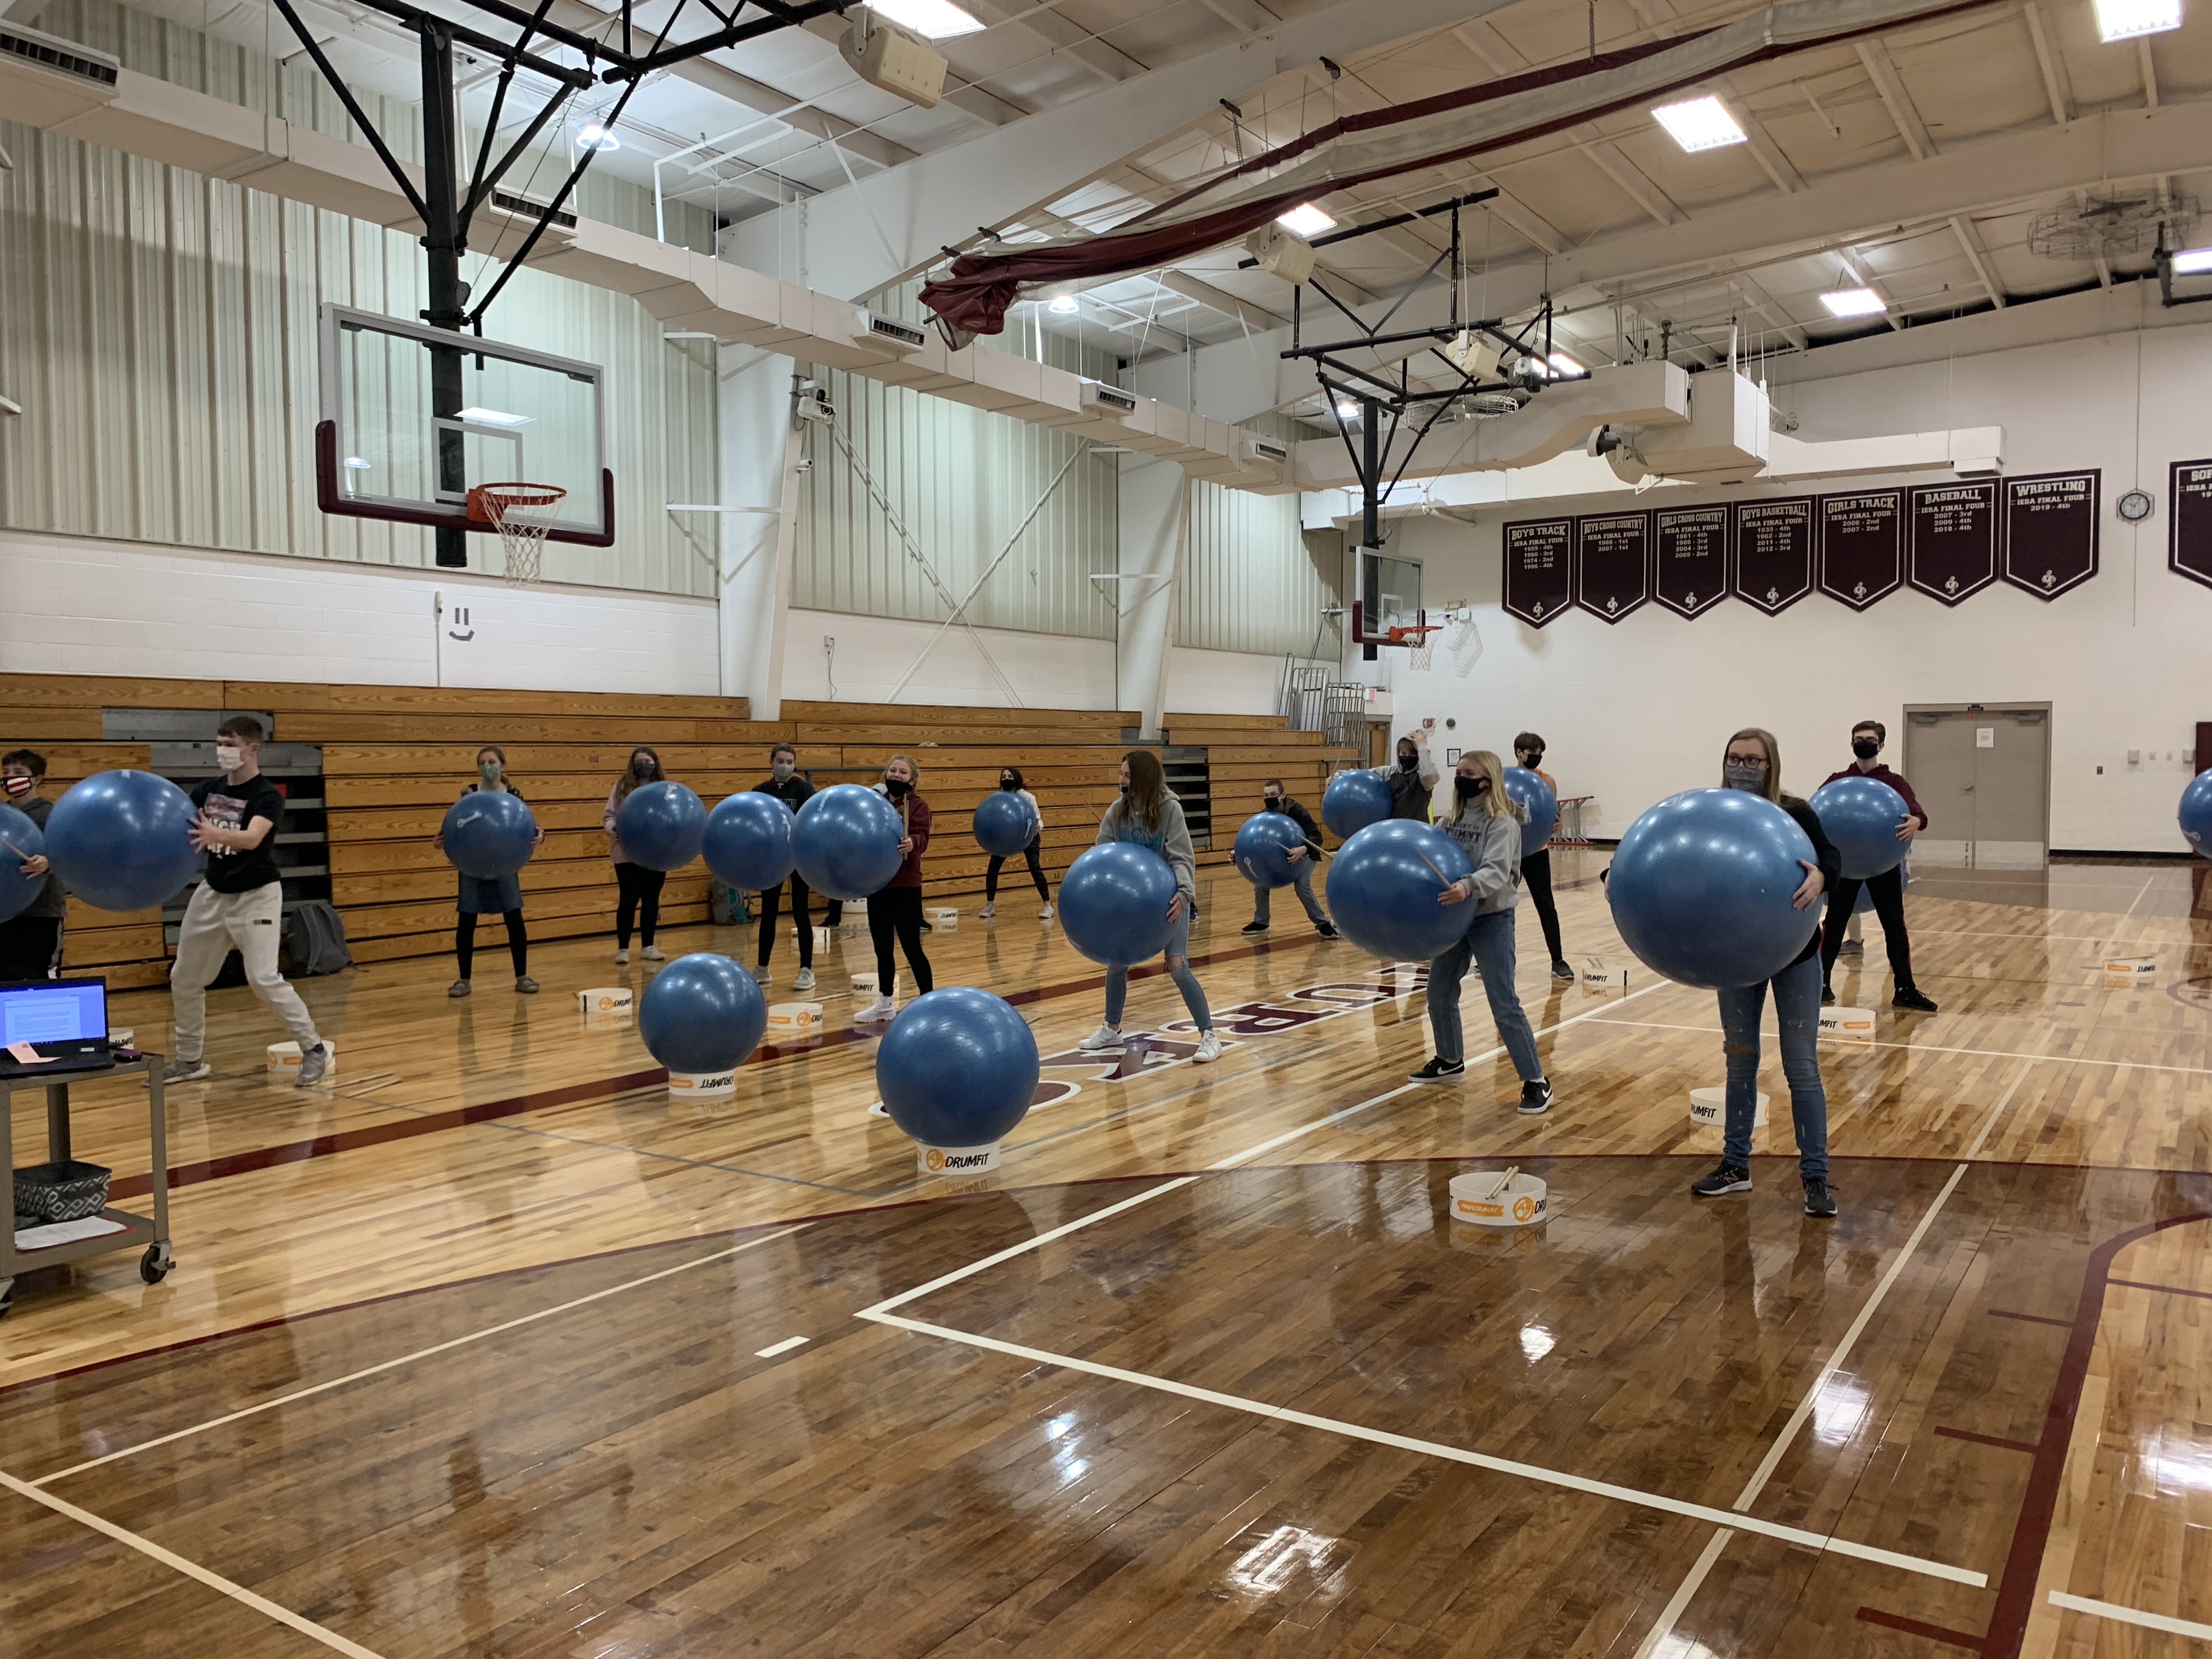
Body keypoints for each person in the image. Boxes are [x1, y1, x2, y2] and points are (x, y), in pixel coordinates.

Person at [1691, 727, 1843, 1218]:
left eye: (1753, 761)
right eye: (1735, 758)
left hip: (1795, 953)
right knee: (1740, 1062)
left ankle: (1815, 1176)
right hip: (1735, 957)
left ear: (1770, 764)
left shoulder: (1795, 811)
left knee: (1801, 1066)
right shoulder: (1712, 811)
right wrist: (1615, 875)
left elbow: (1832, 857)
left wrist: (1822, 876)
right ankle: (1735, 1166)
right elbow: (1676, 857)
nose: (1742, 768)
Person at [163, 716, 330, 1087]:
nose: (222, 750)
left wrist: (214, 833)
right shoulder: (207, 790)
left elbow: (253, 838)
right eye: (219, 743)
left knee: (263, 978)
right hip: (213, 891)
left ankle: (314, 1048)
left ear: (252, 749)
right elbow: (174, 823)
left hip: (257, 895)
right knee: (184, 978)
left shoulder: (267, 795)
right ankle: (190, 1060)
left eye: (230, 744)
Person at [1408, 751, 1553, 1113]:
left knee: (1503, 1001)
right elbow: (1431, 852)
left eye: (1469, 773)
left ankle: (1536, 1080)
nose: (1462, 778)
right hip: (1455, 918)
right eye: (1459, 772)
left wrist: (1467, 886)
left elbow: (1498, 870)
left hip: (1492, 918)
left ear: (1488, 780)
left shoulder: (1503, 823)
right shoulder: (1451, 820)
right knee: (1439, 992)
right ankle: (1449, 1060)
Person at [1077, 750, 1221, 1063]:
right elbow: (1102, 853)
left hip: (1168, 901)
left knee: (1177, 965)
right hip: (1129, 905)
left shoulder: (1170, 809)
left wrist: (1184, 894)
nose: (1121, 780)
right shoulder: (1117, 811)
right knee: (1117, 962)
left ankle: (1209, 1035)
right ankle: (1112, 1028)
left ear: (1143, 778)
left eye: (1127, 775)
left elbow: (1182, 856)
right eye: (1121, 774)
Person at [1818, 719, 1937, 1013]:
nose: (1864, 744)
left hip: (1884, 865)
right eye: (1859, 739)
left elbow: (1919, 815)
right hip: (1846, 866)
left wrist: (1917, 822)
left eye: (1870, 740)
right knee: (1833, 925)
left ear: (1881, 745)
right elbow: (1816, 812)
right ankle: (1820, 985)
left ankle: (1905, 989)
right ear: (1852, 743)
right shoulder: (1839, 781)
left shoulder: (1894, 783)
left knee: (1894, 926)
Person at [438, 746, 540, 998]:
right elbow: (456, 824)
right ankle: (464, 980)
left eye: (492, 761)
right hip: (472, 865)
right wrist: (442, 839)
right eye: (483, 762)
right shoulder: (469, 793)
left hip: (505, 865)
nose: (487, 766)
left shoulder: (514, 795)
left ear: (502, 765)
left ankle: (522, 977)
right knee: (467, 921)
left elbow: (527, 827)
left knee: (514, 919)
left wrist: (541, 836)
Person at [856, 754, 932, 1023]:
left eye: (903, 772)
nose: (896, 775)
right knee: (882, 948)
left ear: (912, 779)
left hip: (906, 887)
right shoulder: (875, 803)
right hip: (878, 886)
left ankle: (928, 1002)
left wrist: (913, 842)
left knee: (912, 947)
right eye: (893, 771)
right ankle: (885, 1003)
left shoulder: (918, 806)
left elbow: (923, 836)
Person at [752, 742, 817, 992]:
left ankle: (806, 969)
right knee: (768, 912)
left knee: (801, 911)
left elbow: (811, 819)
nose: (785, 766)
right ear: (771, 762)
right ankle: (762, 967)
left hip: (798, 858)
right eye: (780, 761)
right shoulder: (761, 791)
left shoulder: (803, 788)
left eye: (790, 762)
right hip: (772, 859)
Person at [1242, 778, 1339, 939]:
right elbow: (1254, 841)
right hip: (1281, 859)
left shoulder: (1297, 811)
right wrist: (1237, 854)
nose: (1269, 798)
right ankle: (1261, 922)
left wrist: (1303, 849)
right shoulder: (1265, 815)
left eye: (1273, 794)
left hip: (1306, 854)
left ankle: (1322, 924)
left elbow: (1316, 836)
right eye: (1266, 795)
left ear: (1283, 795)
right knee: (1260, 882)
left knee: (1302, 885)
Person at [1513, 731, 1574, 982]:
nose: (1537, 757)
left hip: (1537, 850)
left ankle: (1558, 961)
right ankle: (1492, 959)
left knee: (1546, 905)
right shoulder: (1504, 781)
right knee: (1499, 906)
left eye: (1540, 754)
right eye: (1532, 753)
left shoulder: (1547, 781)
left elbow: (1552, 814)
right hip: (1509, 852)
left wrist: (1556, 824)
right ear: (1519, 753)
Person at [0, 749, 65, 981]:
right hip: (6, 912)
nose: (10, 777)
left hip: (41, 913)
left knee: (36, 976)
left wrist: (49, 863)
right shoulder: (3, 815)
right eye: (6, 772)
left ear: (37, 779)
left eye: (19, 773)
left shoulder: (53, 815)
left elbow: (71, 857)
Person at [604, 746, 669, 967]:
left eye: (648, 762)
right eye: (640, 762)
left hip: (656, 854)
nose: (644, 766)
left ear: (655, 764)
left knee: (651, 900)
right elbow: (610, 816)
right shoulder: (622, 787)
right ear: (633, 765)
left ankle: (648, 946)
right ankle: (623, 948)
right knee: (628, 899)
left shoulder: (664, 789)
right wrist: (613, 830)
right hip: (627, 854)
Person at [979, 766, 1053, 922]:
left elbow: (1039, 819)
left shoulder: (1027, 797)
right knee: (992, 870)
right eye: (1004, 777)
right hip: (1005, 839)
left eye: (1010, 776)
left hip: (1028, 837)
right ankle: (990, 905)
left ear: (1017, 779)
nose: (1006, 779)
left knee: (1035, 868)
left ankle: (1048, 905)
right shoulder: (998, 798)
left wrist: (1038, 827)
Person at [1376, 727, 1440, 821]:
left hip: (1417, 827)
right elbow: (1364, 776)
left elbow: (1429, 775)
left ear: (1418, 755)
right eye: (1403, 753)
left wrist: (1422, 746)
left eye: (1412, 754)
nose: (1407, 757)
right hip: (1394, 827)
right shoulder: (1389, 773)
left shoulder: (1422, 778)